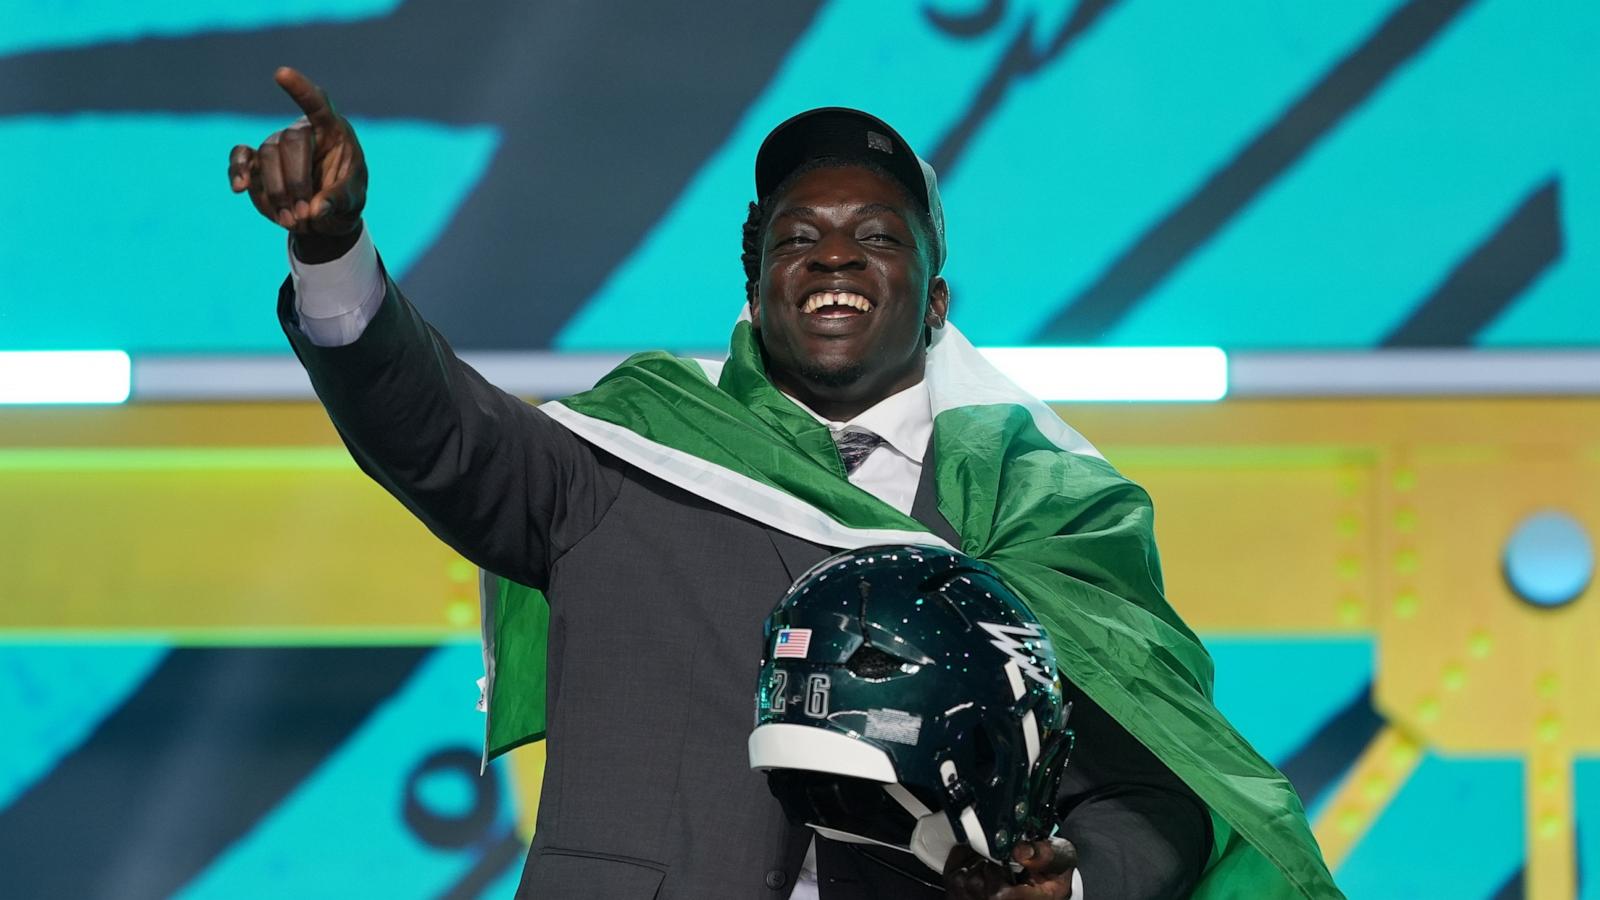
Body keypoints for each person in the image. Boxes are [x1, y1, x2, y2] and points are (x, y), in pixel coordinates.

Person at [229, 67, 1340, 899]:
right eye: (799, 235)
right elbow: (437, 436)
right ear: (757, 284)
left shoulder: (1044, 512)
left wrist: (1076, 882)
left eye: (876, 236)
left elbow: (1153, 784)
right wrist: (334, 253)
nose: (835, 254)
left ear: (938, 304)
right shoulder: (637, 455)